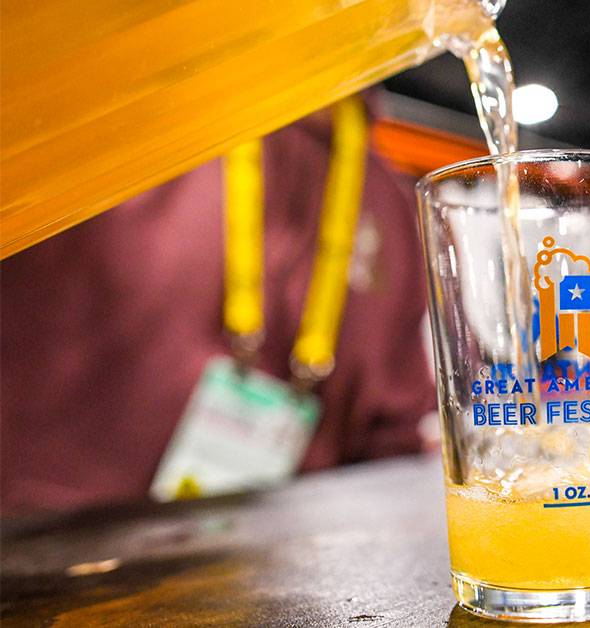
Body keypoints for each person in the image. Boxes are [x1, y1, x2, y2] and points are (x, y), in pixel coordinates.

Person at [0, 101, 437, 515]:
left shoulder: (389, 204)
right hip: (42, 563)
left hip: (279, 576)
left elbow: (391, 437)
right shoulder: (110, 125)